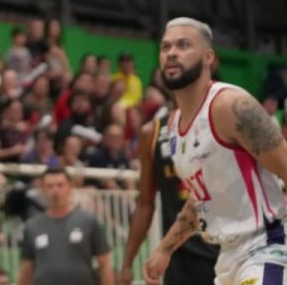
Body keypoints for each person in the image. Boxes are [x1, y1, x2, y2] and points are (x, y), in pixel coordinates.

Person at [141, 17, 287, 285]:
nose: (171, 53)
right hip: (227, 257)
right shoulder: (172, 125)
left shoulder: (231, 106)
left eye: (183, 45)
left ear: (209, 58)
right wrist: (164, 249)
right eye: (165, 47)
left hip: (267, 246)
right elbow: (201, 199)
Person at [118, 104, 218, 285]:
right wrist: (127, 264)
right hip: (179, 253)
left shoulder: (221, 120)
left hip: (224, 246)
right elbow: (145, 203)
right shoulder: (154, 131)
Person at [18, 167, 113, 285]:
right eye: (49, 186)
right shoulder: (32, 226)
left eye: (60, 185)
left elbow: (105, 264)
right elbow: (26, 270)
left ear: (70, 187)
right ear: (42, 189)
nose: (55, 190)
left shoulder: (88, 221)